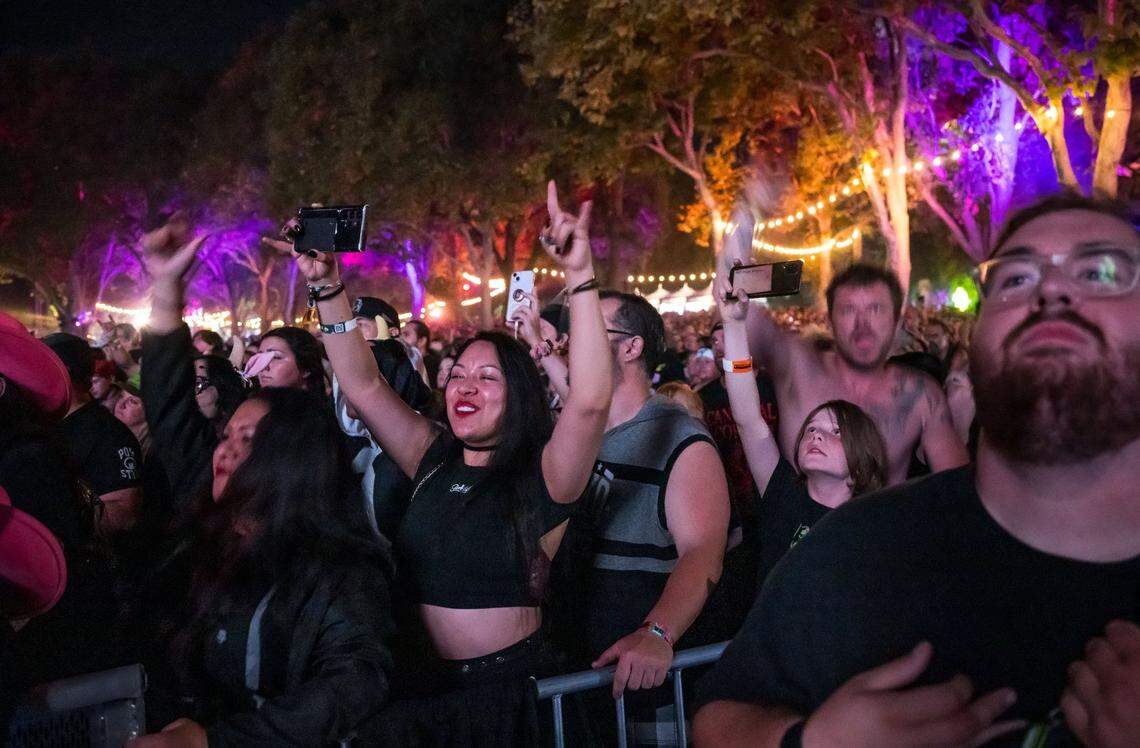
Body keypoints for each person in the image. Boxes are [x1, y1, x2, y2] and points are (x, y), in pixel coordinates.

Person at [693, 192, 1140, 747]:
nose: (1052, 288)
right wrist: (810, 741)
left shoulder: (919, 397)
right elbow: (716, 722)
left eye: (1102, 270)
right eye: (1016, 279)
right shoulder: (857, 547)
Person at [292, 180, 612, 745]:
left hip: (509, 699)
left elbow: (588, 400)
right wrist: (328, 287)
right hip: (424, 692)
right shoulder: (433, 456)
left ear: (519, 394)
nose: (466, 385)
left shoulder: (545, 474)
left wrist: (579, 275)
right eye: (459, 373)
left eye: (488, 377)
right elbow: (363, 385)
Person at [130, 219, 396, 746]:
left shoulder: (338, 574)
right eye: (226, 435)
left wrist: (216, 740)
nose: (224, 449)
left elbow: (352, 686)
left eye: (247, 439)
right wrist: (165, 294)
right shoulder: (205, 523)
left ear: (289, 458)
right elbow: (169, 408)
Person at [550, 288, 731, 743]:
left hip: (642, 683)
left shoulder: (679, 436)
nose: (574, 343)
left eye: (593, 332)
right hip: (575, 670)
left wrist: (657, 632)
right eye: (575, 332)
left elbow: (702, 551)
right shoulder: (575, 429)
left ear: (632, 347)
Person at [723, 213, 967, 485]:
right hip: (803, 525)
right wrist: (743, 227)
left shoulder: (920, 395)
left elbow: (957, 491)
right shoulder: (800, 365)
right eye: (849, 310)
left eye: (875, 309)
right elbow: (741, 321)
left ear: (897, 319)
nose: (862, 324)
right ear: (830, 319)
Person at [44, 333, 144, 535]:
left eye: (39, 368)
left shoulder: (109, 435)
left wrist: (49, 508)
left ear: (62, 373)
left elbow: (124, 516)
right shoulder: (42, 423)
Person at [401, 318, 442, 386]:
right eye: (400, 334)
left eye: (406, 334)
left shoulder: (432, 367)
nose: (401, 338)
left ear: (422, 341)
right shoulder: (405, 362)